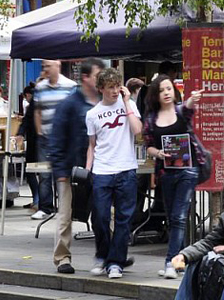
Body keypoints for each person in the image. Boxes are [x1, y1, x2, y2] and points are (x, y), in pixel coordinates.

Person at [142, 75, 204, 279]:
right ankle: (182, 259)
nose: (167, 93)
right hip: (165, 172)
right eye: (162, 90)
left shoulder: (181, 111)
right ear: (156, 94)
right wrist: (158, 153)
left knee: (178, 217)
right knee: (172, 217)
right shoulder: (151, 119)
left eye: (169, 89)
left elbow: (189, 107)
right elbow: (148, 145)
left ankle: (171, 262)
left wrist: (193, 99)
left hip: (188, 169)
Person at [47, 58, 105, 274]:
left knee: (105, 213)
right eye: (98, 75)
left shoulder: (103, 102)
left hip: (99, 168)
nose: (101, 79)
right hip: (72, 169)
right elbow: (57, 138)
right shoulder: (70, 103)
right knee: (65, 215)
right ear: (85, 77)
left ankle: (108, 253)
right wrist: (60, 171)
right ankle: (62, 258)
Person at [85, 68, 142, 279]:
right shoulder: (92, 114)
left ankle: (116, 262)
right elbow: (92, 145)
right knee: (99, 216)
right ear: (101, 89)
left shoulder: (129, 105)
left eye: (118, 86)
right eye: (110, 87)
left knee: (123, 219)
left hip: (126, 167)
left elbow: (138, 131)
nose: (115, 91)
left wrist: (127, 103)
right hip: (102, 170)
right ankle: (103, 255)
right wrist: (88, 169)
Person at [32, 60, 77, 220]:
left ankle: (66, 208)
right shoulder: (40, 87)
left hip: (64, 139)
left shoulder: (70, 86)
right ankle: (45, 207)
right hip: (45, 137)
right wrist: (39, 133)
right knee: (44, 173)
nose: (45, 69)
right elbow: (37, 111)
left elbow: (74, 111)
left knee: (64, 174)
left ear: (57, 66)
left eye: (48, 66)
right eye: (44, 66)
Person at [17, 84, 39, 212]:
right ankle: (38, 199)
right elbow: (26, 120)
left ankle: (40, 200)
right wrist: (20, 133)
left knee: (43, 174)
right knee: (31, 171)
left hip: (43, 143)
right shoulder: (33, 105)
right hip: (34, 142)